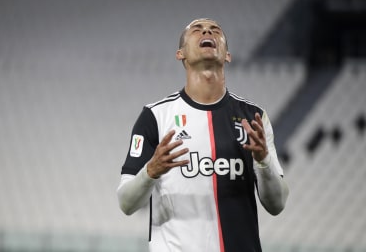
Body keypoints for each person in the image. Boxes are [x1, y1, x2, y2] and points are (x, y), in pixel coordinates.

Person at [117, 18, 289, 252]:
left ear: (227, 55)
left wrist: (263, 161)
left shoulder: (254, 118)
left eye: (215, 30)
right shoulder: (155, 116)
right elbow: (126, 203)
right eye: (196, 30)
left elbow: (276, 204)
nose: (207, 30)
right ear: (181, 54)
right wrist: (151, 171)